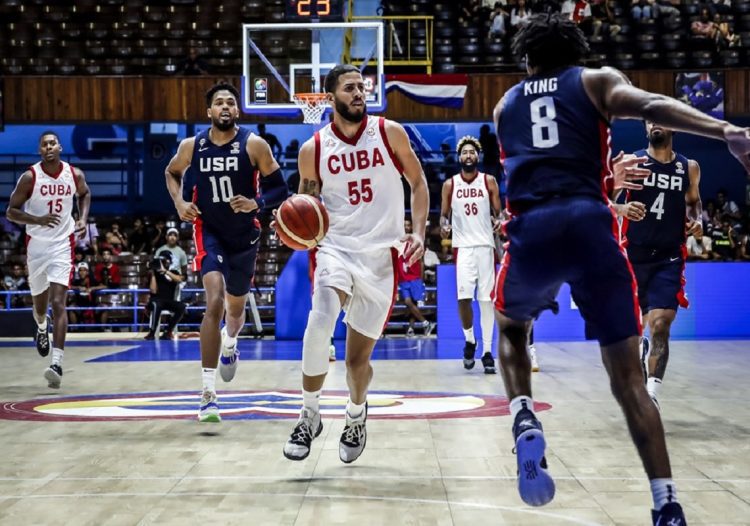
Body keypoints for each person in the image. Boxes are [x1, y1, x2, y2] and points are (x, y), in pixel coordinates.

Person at [493, 13, 750, 524]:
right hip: (590, 224)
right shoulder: (595, 80)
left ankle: (523, 416)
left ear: (526, 58)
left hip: (532, 227)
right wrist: (726, 129)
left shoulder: (505, 106)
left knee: (510, 329)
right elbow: (654, 105)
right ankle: (666, 503)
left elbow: (533, 167)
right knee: (628, 378)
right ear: (576, 51)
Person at [282, 64, 429, 464]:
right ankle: (309, 414)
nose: (359, 94)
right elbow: (307, 209)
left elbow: (418, 183)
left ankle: (355, 413)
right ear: (330, 97)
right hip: (336, 250)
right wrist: (297, 230)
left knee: (355, 361)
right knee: (321, 318)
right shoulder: (313, 149)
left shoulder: (389, 133)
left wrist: (417, 233)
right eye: (350, 88)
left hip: (381, 256)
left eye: (362, 88)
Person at [165, 82, 288, 422]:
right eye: (218, 102)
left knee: (235, 313)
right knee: (215, 301)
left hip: (245, 235)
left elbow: (281, 187)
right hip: (210, 231)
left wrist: (257, 203)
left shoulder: (254, 145)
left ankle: (230, 343)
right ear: (209, 112)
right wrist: (179, 202)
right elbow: (171, 173)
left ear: (238, 111)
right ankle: (207, 393)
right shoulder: (192, 146)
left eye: (230, 102)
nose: (224, 106)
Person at [614, 122, 703, 411]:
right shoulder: (631, 163)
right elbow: (600, 198)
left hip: (669, 257)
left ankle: (651, 395)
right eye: (649, 120)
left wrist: (696, 220)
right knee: (633, 331)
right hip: (634, 255)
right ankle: (638, 350)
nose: (654, 124)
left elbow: (693, 201)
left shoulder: (689, 167)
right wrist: (622, 208)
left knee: (661, 324)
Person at [5, 130, 92, 389]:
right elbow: (11, 211)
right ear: (40, 151)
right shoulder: (30, 177)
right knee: (41, 308)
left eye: (52, 143)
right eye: (44, 144)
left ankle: (56, 363)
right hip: (36, 248)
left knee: (59, 302)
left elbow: (85, 194)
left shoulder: (74, 174)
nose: (49, 147)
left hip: (62, 245)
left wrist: (83, 219)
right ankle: (41, 326)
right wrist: (38, 220)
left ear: (60, 147)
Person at [439, 136, 503, 374]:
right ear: (459, 157)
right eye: (464, 152)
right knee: (464, 298)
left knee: (487, 301)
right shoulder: (450, 185)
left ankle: (487, 352)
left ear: (478, 156)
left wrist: (499, 220)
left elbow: (501, 213)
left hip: (486, 247)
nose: (468, 156)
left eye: (472, 152)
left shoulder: (489, 182)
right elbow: (443, 216)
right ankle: (469, 340)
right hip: (463, 248)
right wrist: (444, 225)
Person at [398, 218, 435, 337]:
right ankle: (426, 323)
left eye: (408, 225)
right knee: (408, 302)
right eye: (404, 225)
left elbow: (422, 261)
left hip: (415, 278)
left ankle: (410, 328)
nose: (406, 227)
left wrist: (421, 278)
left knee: (413, 303)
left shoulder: (416, 240)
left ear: (411, 227)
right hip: (403, 278)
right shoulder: (397, 241)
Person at [144, 250, 187, 340]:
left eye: (165, 260)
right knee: (157, 304)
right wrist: (153, 274)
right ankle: (152, 332)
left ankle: (168, 331)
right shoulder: (154, 273)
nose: (163, 262)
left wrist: (165, 271)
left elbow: (179, 279)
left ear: (170, 261)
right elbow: (154, 290)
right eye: (162, 261)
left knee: (182, 306)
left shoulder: (174, 272)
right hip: (155, 300)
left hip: (169, 301)